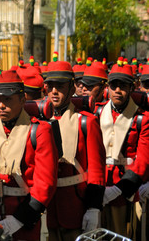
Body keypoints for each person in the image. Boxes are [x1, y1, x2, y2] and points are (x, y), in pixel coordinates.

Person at [0, 69, 58, 240]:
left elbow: (45, 184)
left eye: (7, 99)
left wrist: (18, 220)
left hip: (25, 217)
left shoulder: (39, 131)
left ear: (22, 99)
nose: (1, 105)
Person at [44, 57, 106, 241]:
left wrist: (94, 207)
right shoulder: (39, 124)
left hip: (76, 204)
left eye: (60, 86)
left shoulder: (86, 122)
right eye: (50, 86)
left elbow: (96, 168)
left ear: (72, 89)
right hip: (48, 206)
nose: (54, 91)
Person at [99, 58, 149, 238]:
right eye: (114, 85)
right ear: (108, 88)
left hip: (124, 188)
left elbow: (142, 161)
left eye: (123, 86)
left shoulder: (141, 118)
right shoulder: (98, 112)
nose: (118, 90)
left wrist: (119, 189)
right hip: (99, 186)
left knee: (120, 234)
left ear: (131, 88)